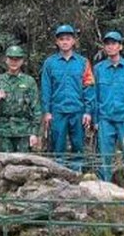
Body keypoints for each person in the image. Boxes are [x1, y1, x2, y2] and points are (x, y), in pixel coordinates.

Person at [40, 24, 95, 171]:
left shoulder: (83, 62)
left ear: (74, 42)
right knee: (58, 146)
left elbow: (89, 88)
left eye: (68, 39)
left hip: (78, 110)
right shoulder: (49, 63)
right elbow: (46, 88)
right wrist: (47, 111)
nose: (65, 42)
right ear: (57, 42)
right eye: (61, 39)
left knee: (78, 146)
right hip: (57, 111)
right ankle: (59, 176)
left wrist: (88, 112)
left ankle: (76, 175)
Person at [92, 31, 124, 182]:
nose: (110, 47)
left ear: (120, 46)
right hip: (105, 120)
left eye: (114, 43)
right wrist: (95, 120)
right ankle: (106, 194)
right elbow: (94, 95)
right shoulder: (98, 69)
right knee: (104, 158)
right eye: (107, 44)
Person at [0, 45, 41, 153]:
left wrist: (34, 133)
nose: (14, 62)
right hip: (4, 129)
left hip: (24, 129)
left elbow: (36, 108)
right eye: (11, 59)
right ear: (6, 60)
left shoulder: (29, 81)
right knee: (5, 164)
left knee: (23, 165)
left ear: (22, 61)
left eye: (17, 59)